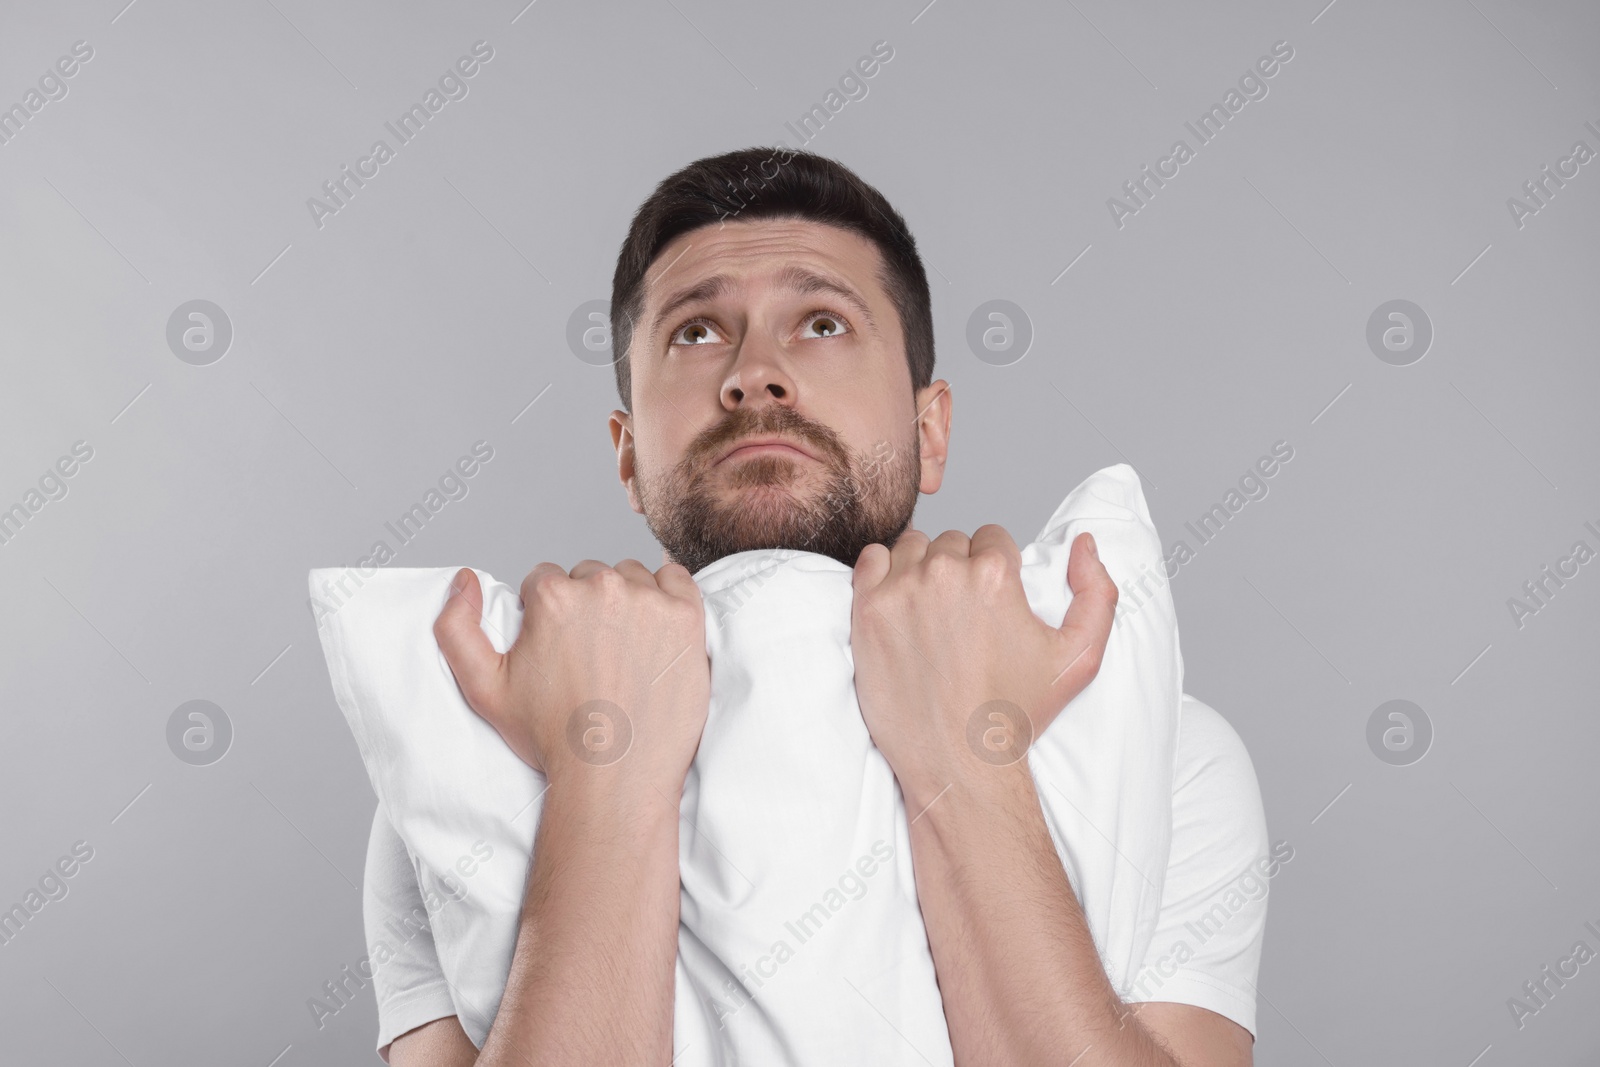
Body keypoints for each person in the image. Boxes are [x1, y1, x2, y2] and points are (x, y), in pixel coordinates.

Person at [363, 147, 1270, 1065]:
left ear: (929, 432)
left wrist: (971, 750)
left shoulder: (1174, 755)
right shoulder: (465, 763)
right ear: (629, 456)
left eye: (824, 323)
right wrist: (601, 767)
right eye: (696, 331)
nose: (755, 373)